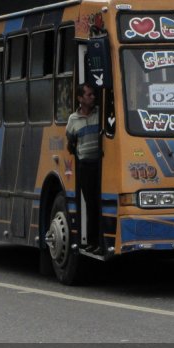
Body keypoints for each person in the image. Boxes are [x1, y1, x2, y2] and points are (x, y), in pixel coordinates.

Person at [66, 83, 101, 253]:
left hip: (101, 164)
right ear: (80, 98)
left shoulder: (99, 114)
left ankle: (100, 241)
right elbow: (70, 141)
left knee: (100, 202)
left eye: (93, 94)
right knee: (90, 203)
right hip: (85, 166)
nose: (92, 97)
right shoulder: (73, 119)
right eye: (89, 95)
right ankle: (92, 242)